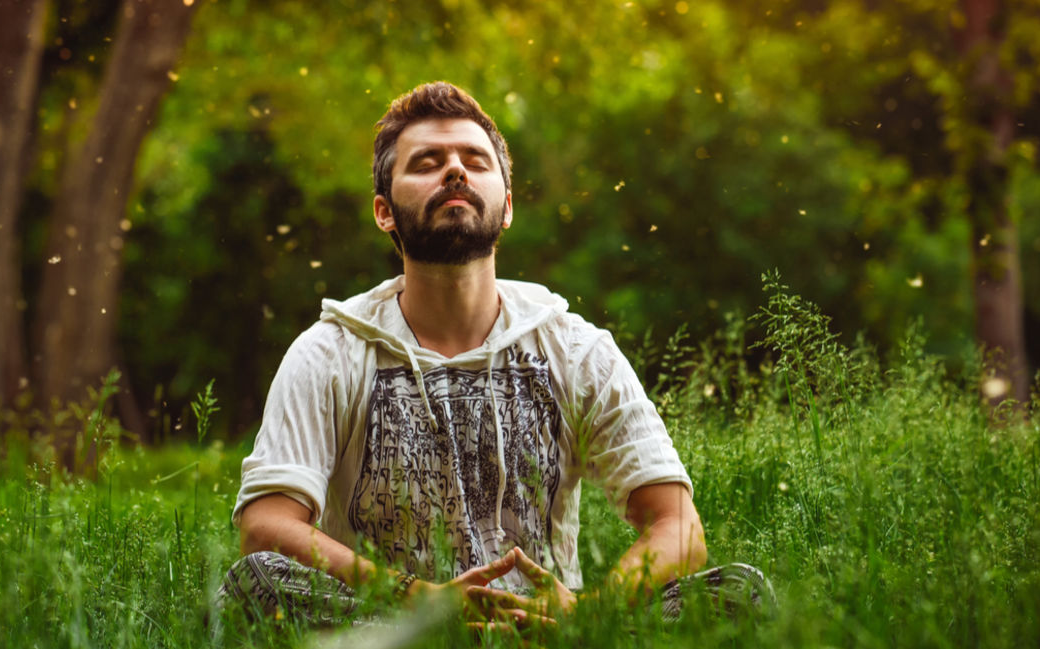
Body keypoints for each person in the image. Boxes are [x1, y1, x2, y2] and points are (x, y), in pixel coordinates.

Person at [217, 81, 772, 630]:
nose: (454, 170)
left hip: (550, 633)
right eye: (427, 162)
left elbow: (678, 526)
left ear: (505, 207)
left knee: (740, 592)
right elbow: (266, 526)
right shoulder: (330, 351)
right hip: (393, 630)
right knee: (255, 584)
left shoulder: (576, 350)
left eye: (474, 160)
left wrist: (587, 615)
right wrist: (415, 600)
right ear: (385, 212)